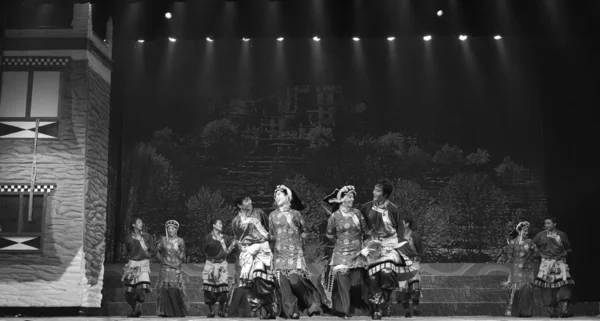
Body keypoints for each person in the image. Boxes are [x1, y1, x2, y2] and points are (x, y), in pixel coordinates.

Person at [359, 180, 418, 320]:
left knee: (386, 272)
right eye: (374, 189)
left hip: (389, 245)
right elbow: (360, 225)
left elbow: (400, 231)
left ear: (385, 194)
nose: (374, 192)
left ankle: (386, 298)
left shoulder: (394, 210)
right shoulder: (366, 208)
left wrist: (401, 249)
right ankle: (376, 309)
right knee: (373, 276)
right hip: (372, 245)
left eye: (378, 191)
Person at [269, 185, 323, 319]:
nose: (276, 197)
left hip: (294, 254)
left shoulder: (296, 214)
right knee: (283, 285)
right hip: (279, 255)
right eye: (275, 196)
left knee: (294, 281)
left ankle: (310, 302)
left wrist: (301, 247)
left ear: (288, 197)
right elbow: (272, 235)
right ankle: (291, 311)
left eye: (279, 195)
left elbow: (304, 231)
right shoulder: (272, 216)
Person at [322, 185, 370, 319]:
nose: (352, 199)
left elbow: (366, 231)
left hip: (357, 253)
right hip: (341, 253)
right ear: (342, 199)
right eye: (349, 196)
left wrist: (365, 247)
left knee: (355, 283)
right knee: (343, 283)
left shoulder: (357, 213)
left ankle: (356, 308)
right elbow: (329, 234)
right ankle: (345, 311)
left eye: (353, 196)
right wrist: (341, 243)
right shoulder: (334, 217)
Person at [231, 194, 278, 319]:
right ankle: (268, 309)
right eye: (246, 200)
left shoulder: (259, 213)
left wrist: (274, 243)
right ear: (240, 205)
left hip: (262, 248)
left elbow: (269, 230)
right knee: (251, 283)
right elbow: (239, 238)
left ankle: (270, 306)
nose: (250, 201)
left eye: (249, 199)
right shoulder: (236, 221)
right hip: (248, 252)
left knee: (262, 277)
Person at [532, 217, 575, 318]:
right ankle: (551, 312)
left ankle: (564, 310)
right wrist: (540, 254)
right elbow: (533, 246)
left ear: (554, 224)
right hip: (546, 263)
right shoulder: (540, 235)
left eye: (548, 223)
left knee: (564, 286)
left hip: (560, 263)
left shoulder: (561, 235)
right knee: (547, 287)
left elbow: (568, 248)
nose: (546, 225)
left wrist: (565, 253)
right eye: (545, 223)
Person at [202, 218, 238, 317]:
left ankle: (221, 311)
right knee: (208, 289)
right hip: (210, 264)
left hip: (222, 264)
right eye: (220, 223)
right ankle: (211, 311)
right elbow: (203, 250)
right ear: (214, 225)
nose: (222, 225)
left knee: (223, 289)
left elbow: (234, 241)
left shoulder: (225, 238)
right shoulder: (208, 238)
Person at [122, 217, 155, 318]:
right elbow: (126, 251)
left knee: (142, 288)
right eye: (139, 222)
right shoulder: (128, 238)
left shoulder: (147, 237)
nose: (141, 224)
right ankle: (134, 309)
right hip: (132, 265)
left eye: (142, 222)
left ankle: (138, 308)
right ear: (133, 225)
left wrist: (148, 254)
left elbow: (152, 249)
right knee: (129, 292)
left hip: (143, 265)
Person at [504, 221, 537, 317]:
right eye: (525, 231)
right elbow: (509, 255)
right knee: (515, 289)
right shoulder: (513, 242)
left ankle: (526, 312)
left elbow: (537, 252)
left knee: (526, 290)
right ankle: (514, 311)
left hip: (526, 268)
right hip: (516, 269)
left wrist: (529, 258)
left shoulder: (530, 242)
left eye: (527, 231)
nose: (527, 233)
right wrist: (513, 261)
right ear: (519, 231)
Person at [155, 220, 187, 317]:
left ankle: (175, 311)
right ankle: (164, 311)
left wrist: (180, 255)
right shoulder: (163, 240)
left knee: (174, 288)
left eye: (172, 229)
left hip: (175, 267)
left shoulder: (180, 241)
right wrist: (160, 259)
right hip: (164, 267)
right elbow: (157, 251)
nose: (170, 230)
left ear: (176, 229)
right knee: (163, 288)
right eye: (169, 229)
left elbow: (183, 255)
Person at [398, 216, 424, 318]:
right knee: (402, 288)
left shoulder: (415, 236)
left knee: (415, 286)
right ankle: (406, 311)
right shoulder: (397, 236)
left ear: (407, 224)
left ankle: (416, 308)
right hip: (400, 265)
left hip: (413, 264)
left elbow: (420, 251)